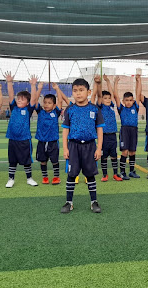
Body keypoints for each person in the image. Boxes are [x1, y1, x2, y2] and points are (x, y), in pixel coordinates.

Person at [60, 78, 104, 214]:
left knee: (90, 175)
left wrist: (99, 148)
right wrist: (65, 148)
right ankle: (69, 202)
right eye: (75, 91)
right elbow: (65, 130)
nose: (78, 94)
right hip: (73, 146)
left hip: (90, 147)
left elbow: (100, 129)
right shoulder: (70, 109)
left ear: (88, 92)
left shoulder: (94, 109)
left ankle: (94, 202)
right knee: (71, 175)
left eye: (81, 90)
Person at [4, 72, 39, 188]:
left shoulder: (28, 110)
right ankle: (11, 179)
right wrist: (9, 83)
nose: (19, 100)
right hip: (13, 139)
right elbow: (10, 95)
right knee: (12, 161)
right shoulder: (13, 107)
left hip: (24, 139)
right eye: (18, 99)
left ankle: (29, 178)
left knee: (27, 161)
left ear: (27, 103)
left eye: (22, 99)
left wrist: (33, 85)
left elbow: (33, 98)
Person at [35, 82, 64, 185]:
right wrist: (39, 88)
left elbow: (60, 101)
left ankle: (56, 177)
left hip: (53, 142)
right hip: (42, 141)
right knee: (43, 161)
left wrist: (57, 89)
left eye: (49, 103)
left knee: (54, 160)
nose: (46, 104)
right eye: (45, 102)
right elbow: (34, 101)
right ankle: (45, 177)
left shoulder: (55, 112)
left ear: (54, 105)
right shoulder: (40, 111)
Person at [95, 74, 123, 182]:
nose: (107, 99)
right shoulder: (100, 107)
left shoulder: (111, 106)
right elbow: (98, 95)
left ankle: (115, 174)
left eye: (108, 98)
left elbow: (111, 93)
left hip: (112, 135)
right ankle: (105, 175)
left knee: (114, 156)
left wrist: (108, 81)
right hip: (103, 136)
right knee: (104, 156)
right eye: (104, 98)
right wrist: (99, 83)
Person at [115, 78, 140, 180]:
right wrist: (115, 83)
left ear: (133, 101)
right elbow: (116, 96)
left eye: (131, 100)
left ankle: (132, 171)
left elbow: (138, 94)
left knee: (132, 152)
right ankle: (122, 172)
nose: (129, 102)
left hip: (134, 130)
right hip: (125, 130)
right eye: (127, 100)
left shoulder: (135, 107)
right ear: (123, 101)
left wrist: (139, 81)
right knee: (124, 152)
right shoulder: (121, 108)